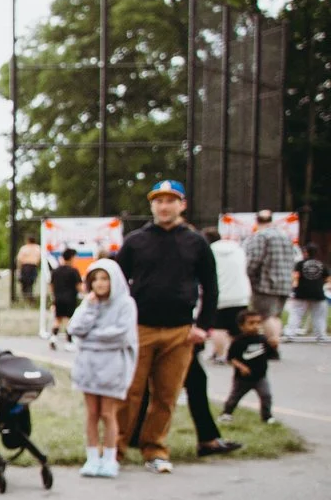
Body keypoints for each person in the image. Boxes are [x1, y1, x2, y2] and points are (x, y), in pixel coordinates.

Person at [113, 180, 216, 474]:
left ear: (182, 205)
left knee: (166, 395)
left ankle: (155, 449)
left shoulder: (196, 242)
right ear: (152, 205)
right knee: (130, 392)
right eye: (159, 201)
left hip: (179, 331)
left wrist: (203, 326)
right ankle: (114, 449)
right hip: (139, 328)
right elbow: (117, 283)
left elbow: (211, 286)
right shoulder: (136, 240)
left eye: (171, 200)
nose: (164, 206)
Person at [68, 260, 136, 478]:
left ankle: (109, 458)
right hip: (88, 365)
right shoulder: (89, 303)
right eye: (95, 279)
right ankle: (92, 457)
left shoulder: (125, 304)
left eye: (104, 278)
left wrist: (90, 338)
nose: (100, 283)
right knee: (92, 413)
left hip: (112, 366)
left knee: (107, 413)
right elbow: (74, 328)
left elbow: (121, 335)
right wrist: (90, 308)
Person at [241, 209, 297, 357]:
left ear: (257, 221)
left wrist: (247, 276)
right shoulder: (285, 236)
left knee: (266, 316)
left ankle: (272, 347)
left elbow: (254, 260)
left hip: (265, 283)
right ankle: (275, 343)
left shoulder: (260, 236)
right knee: (276, 316)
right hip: (284, 282)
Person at [220, 309, 276, 424]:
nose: (255, 326)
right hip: (243, 378)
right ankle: (226, 413)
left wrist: (274, 346)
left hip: (260, 376)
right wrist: (241, 367)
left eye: (258, 323)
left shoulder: (262, 339)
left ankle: (267, 417)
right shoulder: (238, 341)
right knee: (235, 397)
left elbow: (270, 355)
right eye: (251, 323)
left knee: (266, 395)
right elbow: (231, 358)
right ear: (241, 326)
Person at [205, 226, 250, 363]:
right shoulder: (237, 249)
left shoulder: (209, 251)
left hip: (220, 295)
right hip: (241, 294)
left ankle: (220, 355)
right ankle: (236, 354)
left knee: (219, 328)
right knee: (236, 328)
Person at [285, 243, 327, 342]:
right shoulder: (321, 264)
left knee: (296, 314)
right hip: (317, 293)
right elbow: (328, 278)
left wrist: (293, 288)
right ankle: (321, 336)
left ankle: (290, 334)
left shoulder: (300, 264)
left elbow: (295, 277)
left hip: (301, 292)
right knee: (319, 316)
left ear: (306, 252)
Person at [49, 248, 82, 349]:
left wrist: (53, 296)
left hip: (58, 298)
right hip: (70, 298)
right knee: (69, 320)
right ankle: (69, 342)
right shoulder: (74, 271)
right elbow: (79, 286)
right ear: (71, 257)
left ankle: (53, 338)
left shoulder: (56, 271)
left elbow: (51, 285)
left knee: (57, 319)